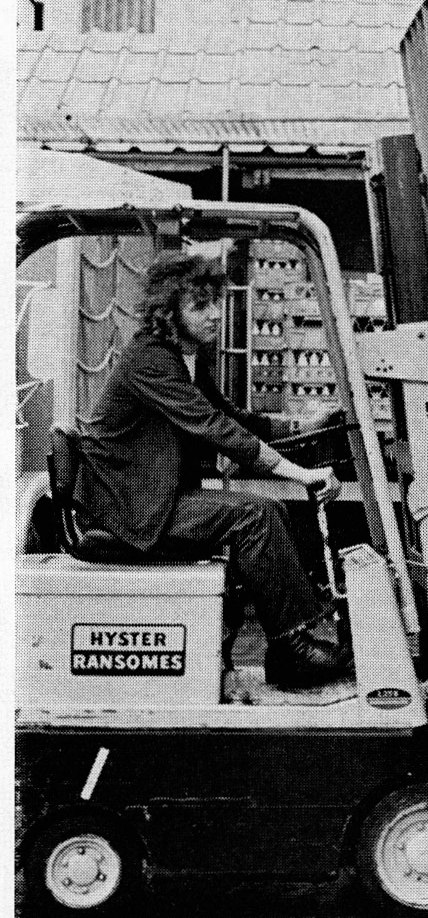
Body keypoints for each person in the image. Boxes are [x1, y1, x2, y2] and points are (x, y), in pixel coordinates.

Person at [74, 253, 351, 691]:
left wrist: (303, 426)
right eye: (200, 306)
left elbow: (232, 417)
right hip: (130, 511)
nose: (215, 314)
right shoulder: (149, 360)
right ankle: (293, 648)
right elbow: (214, 427)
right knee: (255, 515)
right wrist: (300, 473)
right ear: (169, 311)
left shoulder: (183, 358)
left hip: (151, 500)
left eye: (215, 302)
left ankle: (289, 647)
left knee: (270, 510)